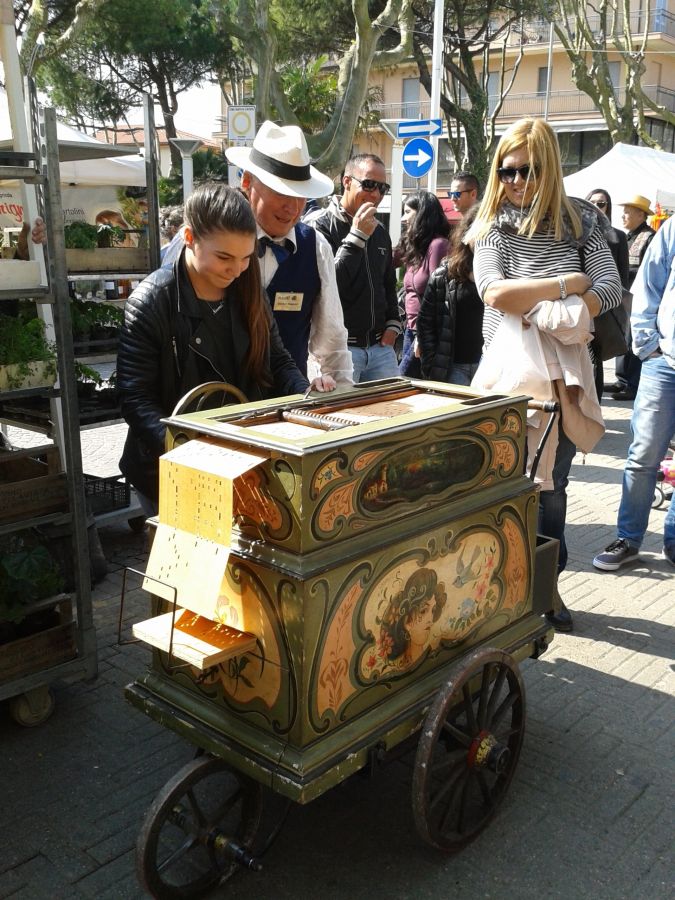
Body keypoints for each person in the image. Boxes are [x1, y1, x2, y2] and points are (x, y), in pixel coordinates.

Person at [467, 117, 622, 633]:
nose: (516, 181)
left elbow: (609, 287)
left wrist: (563, 312)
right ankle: (497, 588)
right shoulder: (493, 223)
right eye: (506, 171)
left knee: (553, 489)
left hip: (566, 379)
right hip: (508, 377)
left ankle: (547, 586)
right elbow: (493, 292)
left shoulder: (581, 220)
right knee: (500, 486)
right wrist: (565, 285)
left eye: (527, 170)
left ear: (550, 167)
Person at [117, 183, 334, 516]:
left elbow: (277, 360)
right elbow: (135, 399)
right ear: (189, 238)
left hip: (239, 457)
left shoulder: (249, 289)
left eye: (246, 258)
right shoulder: (151, 302)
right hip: (169, 468)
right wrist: (188, 451)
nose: (236, 270)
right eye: (224, 258)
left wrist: (306, 396)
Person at [225, 121, 352, 386]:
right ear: (247, 181)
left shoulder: (315, 247)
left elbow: (332, 341)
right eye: (281, 192)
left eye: (301, 195)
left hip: (289, 400)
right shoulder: (213, 239)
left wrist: (343, 396)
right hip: (222, 399)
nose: (292, 207)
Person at [593, 213, 675, 572]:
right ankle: (628, 539)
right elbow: (647, 286)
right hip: (664, 362)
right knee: (643, 456)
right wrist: (648, 346)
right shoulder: (673, 228)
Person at [311, 153, 402, 383]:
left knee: (393, 406)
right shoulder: (320, 226)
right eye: (369, 184)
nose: (376, 194)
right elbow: (328, 288)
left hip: (381, 348)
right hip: (339, 350)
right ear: (347, 182)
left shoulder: (380, 232)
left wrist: (393, 324)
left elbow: (388, 284)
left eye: (382, 188)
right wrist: (357, 237)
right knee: (342, 408)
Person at [417, 206, 484, 385]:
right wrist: (432, 364)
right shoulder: (445, 274)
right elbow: (425, 322)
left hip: (490, 366)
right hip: (453, 368)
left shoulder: (505, 274)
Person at [395, 190, 450, 377]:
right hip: (410, 329)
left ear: (422, 213)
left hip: (425, 331)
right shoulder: (416, 248)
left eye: (407, 212)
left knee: (402, 380)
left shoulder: (438, 245)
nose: (403, 219)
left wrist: (423, 335)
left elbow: (438, 294)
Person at [608, 194, 656, 401]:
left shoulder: (650, 237)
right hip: (624, 295)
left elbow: (648, 270)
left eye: (628, 212)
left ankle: (633, 385)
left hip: (639, 296)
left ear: (641, 215)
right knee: (622, 337)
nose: (623, 215)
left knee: (635, 338)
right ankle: (622, 380)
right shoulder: (627, 237)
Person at [585, 188, 630, 401]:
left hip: (605, 304)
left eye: (601, 203)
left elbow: (622, 275)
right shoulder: (575, 231)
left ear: (608, 207)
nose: (596, 206)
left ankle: (596, 402)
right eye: (592, 202)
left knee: (597, 354)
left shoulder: (617, 236)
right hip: (579, 300)